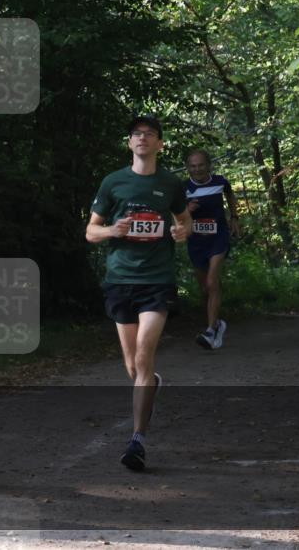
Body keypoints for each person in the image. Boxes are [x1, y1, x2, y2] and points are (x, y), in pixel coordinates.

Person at [86, 115, 191, 471]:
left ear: (160, 144)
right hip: (120, 280)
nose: (142, 139)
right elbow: (90, 232)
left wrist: (182, 232)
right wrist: (113, 230)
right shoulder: (113, 183)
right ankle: (150, 385)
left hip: (157, 280)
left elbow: (184, 220)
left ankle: (137, 440)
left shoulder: (171, 184)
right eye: (136, 134)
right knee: (132, 366)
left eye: (149, 135)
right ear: (129, 143)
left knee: (145, 357)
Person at [184, 149, 240, 350]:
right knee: (205, 288)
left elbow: (230, 195)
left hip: (218, 238)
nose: (197, 169)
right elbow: (176, 216)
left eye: (200, 165)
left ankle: (210, 331)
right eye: (193, 166)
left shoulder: (220, 181)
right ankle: (217, 324)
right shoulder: (184, 188)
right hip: (196, 242)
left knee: (211, 280)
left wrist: (234, 217)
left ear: (208, 165)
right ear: (188, 167)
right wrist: (187, 211)